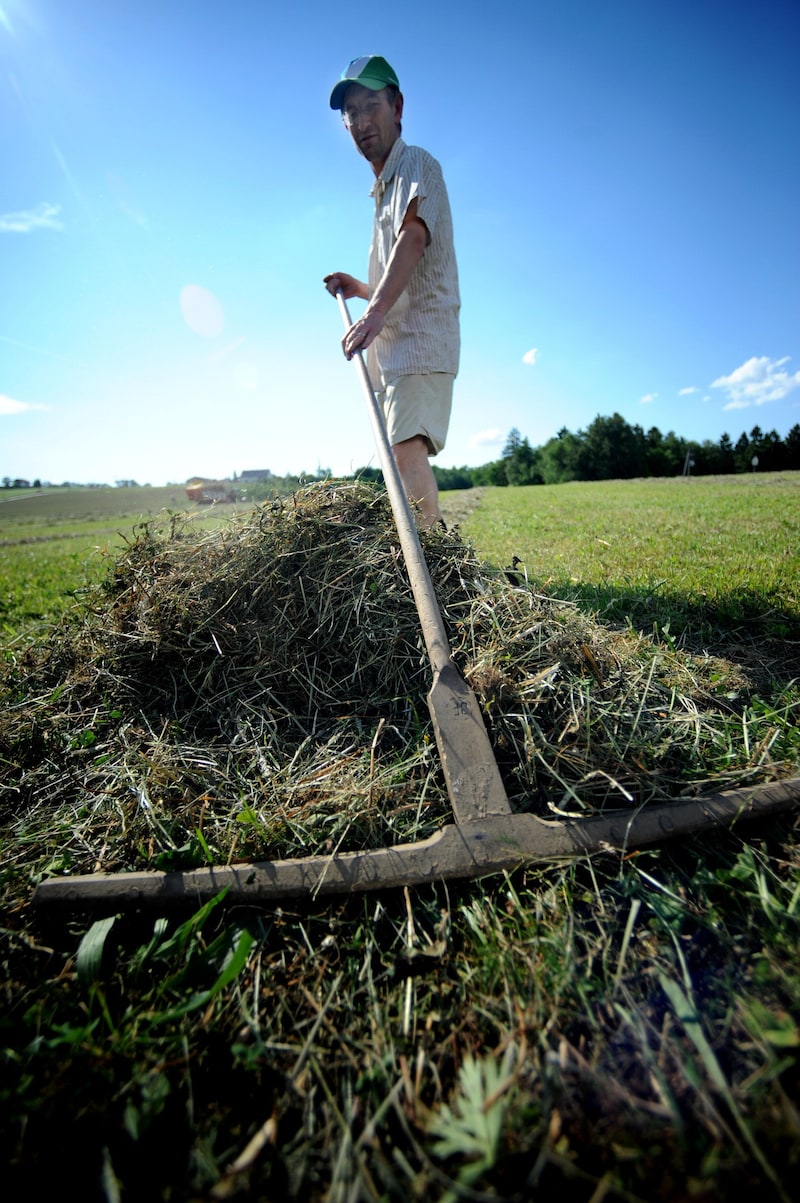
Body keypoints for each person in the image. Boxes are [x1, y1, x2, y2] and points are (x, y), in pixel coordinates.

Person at [324, 55, 460, 528]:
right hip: (397, 348)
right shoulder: (382, 192)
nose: (361, 121)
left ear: (397, 106)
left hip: (420, 339)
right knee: (399, 457)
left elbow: (415, 239)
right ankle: (432, 556)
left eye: (370, 105)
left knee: (403, 450)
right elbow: (393, 278)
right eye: (351, 114)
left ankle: (437, 567)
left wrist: (374, 311)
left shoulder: (418, 165)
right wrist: (360, 289)